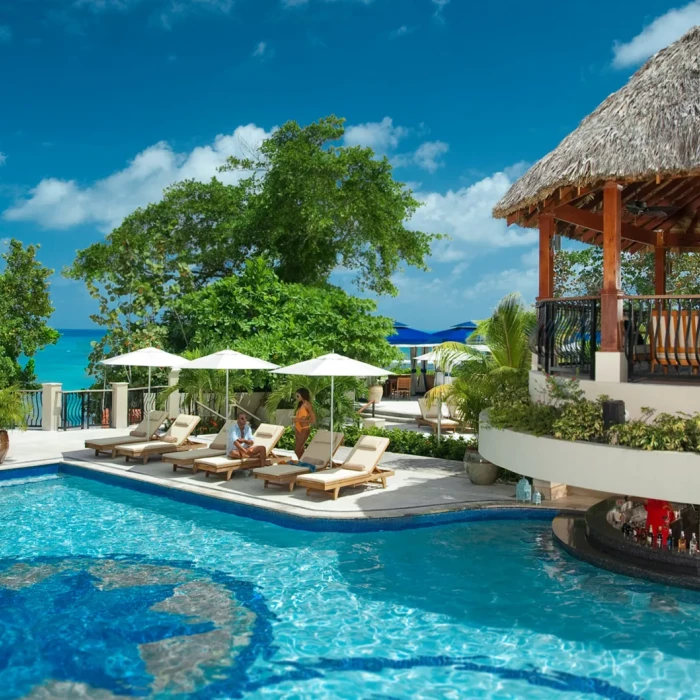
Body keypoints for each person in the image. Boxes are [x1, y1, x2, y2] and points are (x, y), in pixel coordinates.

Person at [294, 388, 316, 460]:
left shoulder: (308, 405)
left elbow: (313, 420)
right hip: (297, 429)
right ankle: (303, 464)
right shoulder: (301, 404)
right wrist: (296, 419)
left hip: (304, 429)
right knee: (300, 450)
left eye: (298, 396)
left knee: (297, 450)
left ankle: (303, 464)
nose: (296, 398)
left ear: (303, 395)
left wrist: (299, 420)